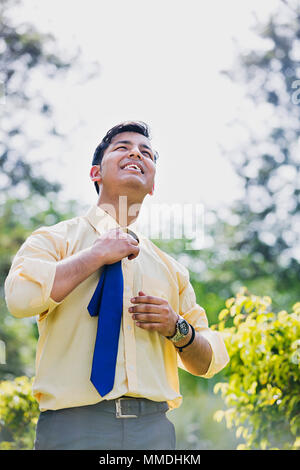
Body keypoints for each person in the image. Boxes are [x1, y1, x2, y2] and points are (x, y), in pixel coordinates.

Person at [4, 120, 229, 450]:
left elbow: (207, 362)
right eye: (123, 147)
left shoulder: (172, 271)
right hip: (71, 430)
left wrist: (177, 327)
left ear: (152, 185)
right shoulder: (53, 241)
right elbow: (19, 298)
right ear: (95, 173)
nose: (137, 153)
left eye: (147, 153)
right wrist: (95, 255)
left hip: (153, 435)